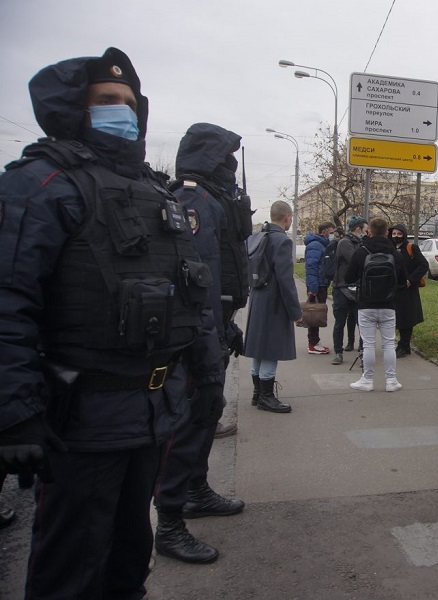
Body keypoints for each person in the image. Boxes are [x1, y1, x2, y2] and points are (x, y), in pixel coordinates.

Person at [0, 48, 216, 598]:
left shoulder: (152, 190)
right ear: (75, 109)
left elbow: (187, 287)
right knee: (71, 569)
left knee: (128, 562)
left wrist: (201, 363)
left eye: (127, 103)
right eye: (105, 101)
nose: (120, 112)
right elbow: (8, 303)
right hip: (81, 420)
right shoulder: (41, 184)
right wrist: (16, 413)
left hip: (150, 413)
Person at [153, 123, 248, 564]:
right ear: (211, 159)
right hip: (195, 334)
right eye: (227, 157)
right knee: (187, 424)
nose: (232, 166)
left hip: (214, 325)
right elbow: (194, 279)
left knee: (206, 416)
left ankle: (196, 490)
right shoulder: (193, 201)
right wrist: (207, 338)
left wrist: (227, 325)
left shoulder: (216, 202)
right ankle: (170, 523)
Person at [243, 201, 303, 413]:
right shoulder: (282, 241)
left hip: (258, 297)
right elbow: (286, 281)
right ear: (287, 216)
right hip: (275, 301)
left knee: (259, 347)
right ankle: (266, 397)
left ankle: (257, 393)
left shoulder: (256, 236)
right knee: (271, 348)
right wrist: (295, 312)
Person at [345, 217, 408, 392]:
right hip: (389, 305)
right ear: (387, 232)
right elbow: (403, 280)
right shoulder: (394, 253)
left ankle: (367, 380)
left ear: (369, 231)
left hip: (366, 305)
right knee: (389, 344)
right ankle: (391, 381)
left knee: (369, 345)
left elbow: (348, 277)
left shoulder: (361, 251)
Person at [331, 216, 368, 365]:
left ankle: (363, 352)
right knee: (340, 322)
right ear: (358, 229)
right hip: (342, 287)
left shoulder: (360, 243)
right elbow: (356, 260)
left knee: (361, 322)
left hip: (357, 287)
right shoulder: (345, 243)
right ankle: (338, 352)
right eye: (365, 230)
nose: (367, 233)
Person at [389, 223, 429, 357]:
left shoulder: (411, 247)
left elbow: (423, 264)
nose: (396, 236)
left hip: (408, 289)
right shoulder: (390, 248)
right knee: (397, 318)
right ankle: (401, 344)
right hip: (395, 289)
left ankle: (404, 346)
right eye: (394, 234)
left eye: (399, 234)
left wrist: (411, 279)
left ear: (404, 234)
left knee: (406, 319)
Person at [303, 221, 336, 355]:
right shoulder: (315, 245)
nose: (333, 235)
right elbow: (311, 267)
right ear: (324, 232)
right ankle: (313, 343)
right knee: (314, 313)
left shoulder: (322, 245)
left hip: (321, 283)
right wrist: (313, 287)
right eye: (331, 232)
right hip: (317, 285)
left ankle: (315, 341)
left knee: (316, 313)